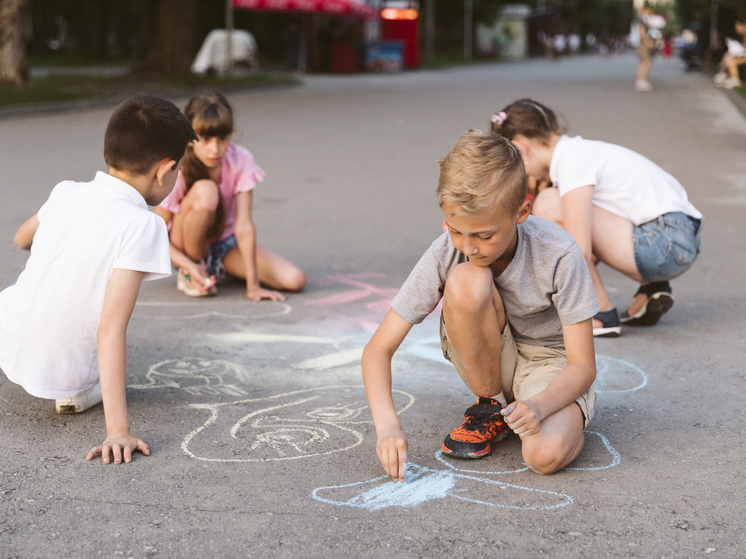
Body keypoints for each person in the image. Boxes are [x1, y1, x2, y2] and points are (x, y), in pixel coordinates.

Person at [362, 131, 599, 481]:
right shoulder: (447, 250)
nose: (468, 246)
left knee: (543, 455)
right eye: (456, 230)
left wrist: (539, 406)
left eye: (485, 235)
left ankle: (567, 420)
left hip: (552, 365)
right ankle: (490, 405)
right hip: (496, 362)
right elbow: (378, 349)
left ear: (523, 211)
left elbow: (583, 365)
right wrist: (387, 428)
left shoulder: (559, 252)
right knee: (465, 280)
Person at [0, 95, 197, 464]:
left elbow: (21, 239)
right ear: (163, 170)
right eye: (179, 169)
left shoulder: (67, 191)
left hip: (9, 345)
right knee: (101, 315)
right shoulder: (143, 224)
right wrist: (117, 430)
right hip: (62, 376)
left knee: (23, 285)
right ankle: (76, 389)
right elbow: (110, 326)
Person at [490, 99, 702, 337]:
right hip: (678, 237)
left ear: (521, 149)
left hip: (665, 243)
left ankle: (600, 313)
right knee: (569, 212)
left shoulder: (572, 162)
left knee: (548, 203)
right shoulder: (581, 151)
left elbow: (579, 249)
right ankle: (651, 288)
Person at [155, 93, 306, 301]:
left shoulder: (240, 159)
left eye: (223, 139)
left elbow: (244, 226)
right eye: (205, 139)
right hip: (186, 247)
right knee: (207, 190)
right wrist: (187, 264)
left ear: (231, 134)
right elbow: (155, 233)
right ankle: (193, 271)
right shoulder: (179, 168)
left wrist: (253, 286)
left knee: (295, 280)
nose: (215, 149)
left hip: (226, 245)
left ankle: (218, 268)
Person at [714, 21, 746, 89]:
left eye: (737, 28)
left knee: (731, 60)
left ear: (743, 26)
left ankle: (735, 80)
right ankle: (727, 76)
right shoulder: (743, 36)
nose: (736, 30)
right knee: (728, 56)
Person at [635, 3, 656, 91]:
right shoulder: (641, 21)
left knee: (645, 63)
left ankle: (641, 81)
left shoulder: (645, 21)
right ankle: (641, 82)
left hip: (644, 43)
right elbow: (642, 34)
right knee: (645, 62)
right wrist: (649, 43)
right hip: (643, 44)